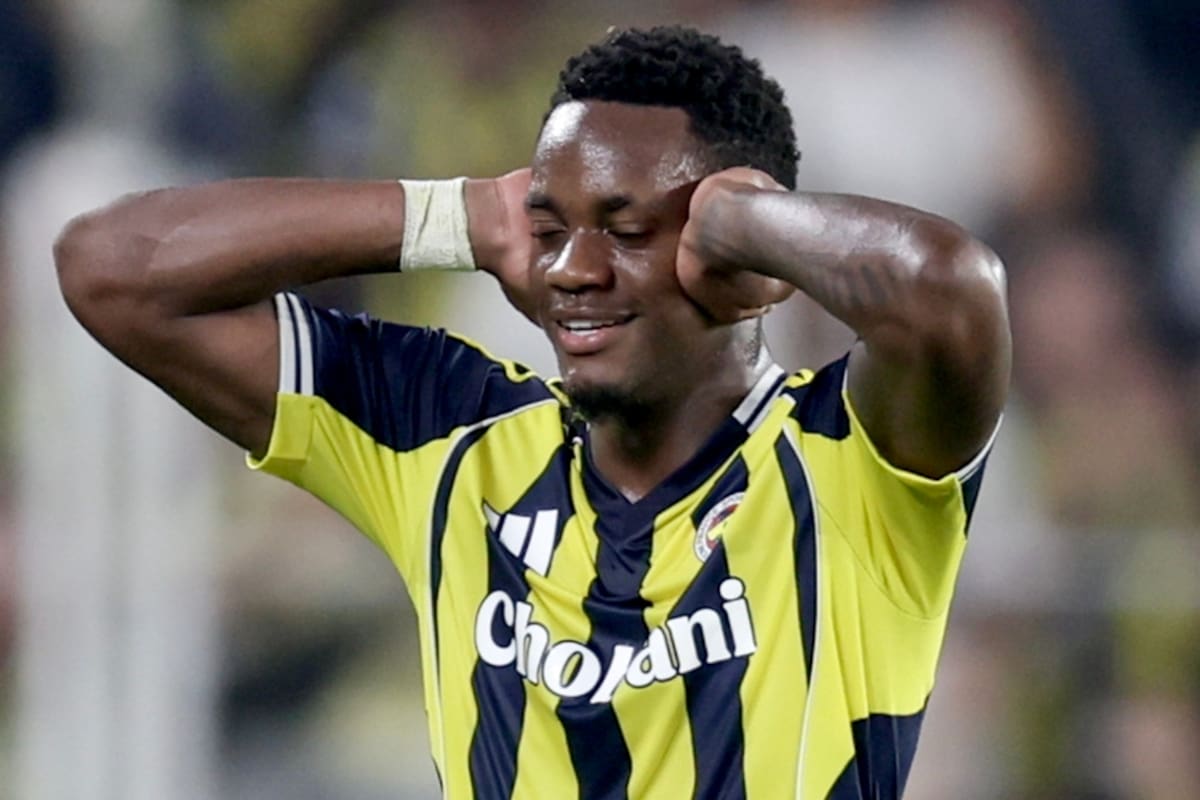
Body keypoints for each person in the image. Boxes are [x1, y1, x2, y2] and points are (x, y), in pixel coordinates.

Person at [54, 25, 1009, 800]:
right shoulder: (449, 435)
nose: (573, 270)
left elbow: (951, 288)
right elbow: (111, 270)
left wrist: (743, 220)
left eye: (628, 231)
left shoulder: (846, 462)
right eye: (551, 230)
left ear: (744, 270)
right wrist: (459, 217)